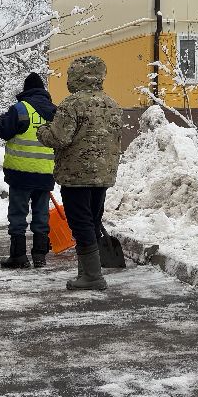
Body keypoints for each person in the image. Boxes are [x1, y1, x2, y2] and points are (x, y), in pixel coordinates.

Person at [37, 55, 124, 291]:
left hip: (76, 175)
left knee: (80, 222)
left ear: (75, 76)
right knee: (93, 221)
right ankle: (86, 273)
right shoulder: (112, 104)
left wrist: (43, 131)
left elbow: (59, 137)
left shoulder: (72, 104)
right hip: (103, 174)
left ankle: (93, 276)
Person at [0, 73, 58, 270]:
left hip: (21, 174)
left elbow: (2, 130)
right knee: (41, 215)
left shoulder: (21, 109)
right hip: (46, 173)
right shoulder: (56, 112)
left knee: (18, 215)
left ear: (26, 90)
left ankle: (19, 256)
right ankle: (40, 256)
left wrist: (6, 116)